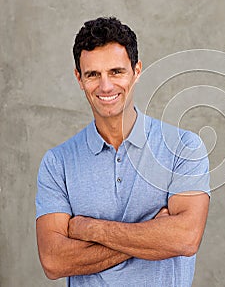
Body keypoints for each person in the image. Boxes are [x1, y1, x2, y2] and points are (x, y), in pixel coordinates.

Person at [35, 17, 210, 286]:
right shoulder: (57, 163)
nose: (105, 86)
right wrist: (152, 233)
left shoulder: (184, 148)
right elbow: (53, 261)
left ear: (137, 71)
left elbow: (185, 238)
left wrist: (88, 228)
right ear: (78, 78)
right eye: (93, 74)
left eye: (116, 72)